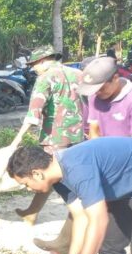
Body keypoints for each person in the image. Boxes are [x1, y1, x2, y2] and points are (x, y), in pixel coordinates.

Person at [7, 45, 84, 234]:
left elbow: (33, 113)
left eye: (34, 65)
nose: (33, 69)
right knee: (60, 177)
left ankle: (76, 221)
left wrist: (15, 141)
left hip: (54, 138)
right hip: (78, 136)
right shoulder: (77, 74)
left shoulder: (45, 78)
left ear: (43, 61)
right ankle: (32, 212)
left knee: (51, 176)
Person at [79, 57, 132, 140]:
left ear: (115, 78)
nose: (97, 92)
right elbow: (94, 131)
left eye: (101, 88)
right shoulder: (95, 96)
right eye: (93, 89)